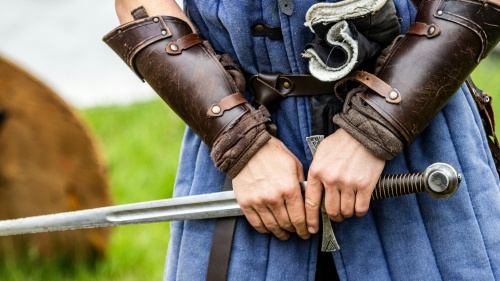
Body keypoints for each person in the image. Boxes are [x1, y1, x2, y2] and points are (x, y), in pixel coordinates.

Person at [105, 0, 500, 279]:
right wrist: (242, 142)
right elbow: (138, 4)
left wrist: (374, 128)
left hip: (418, 139)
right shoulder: (239, 143)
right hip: (236, 150)